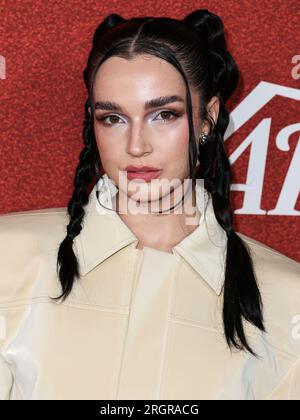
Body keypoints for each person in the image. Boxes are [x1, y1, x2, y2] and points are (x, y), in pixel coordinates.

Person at [0, 9, 300, 400]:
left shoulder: (286, 297)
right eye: (113, 118)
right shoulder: (9, 258)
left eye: (163, 114)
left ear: (208, 118)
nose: (137, 146)